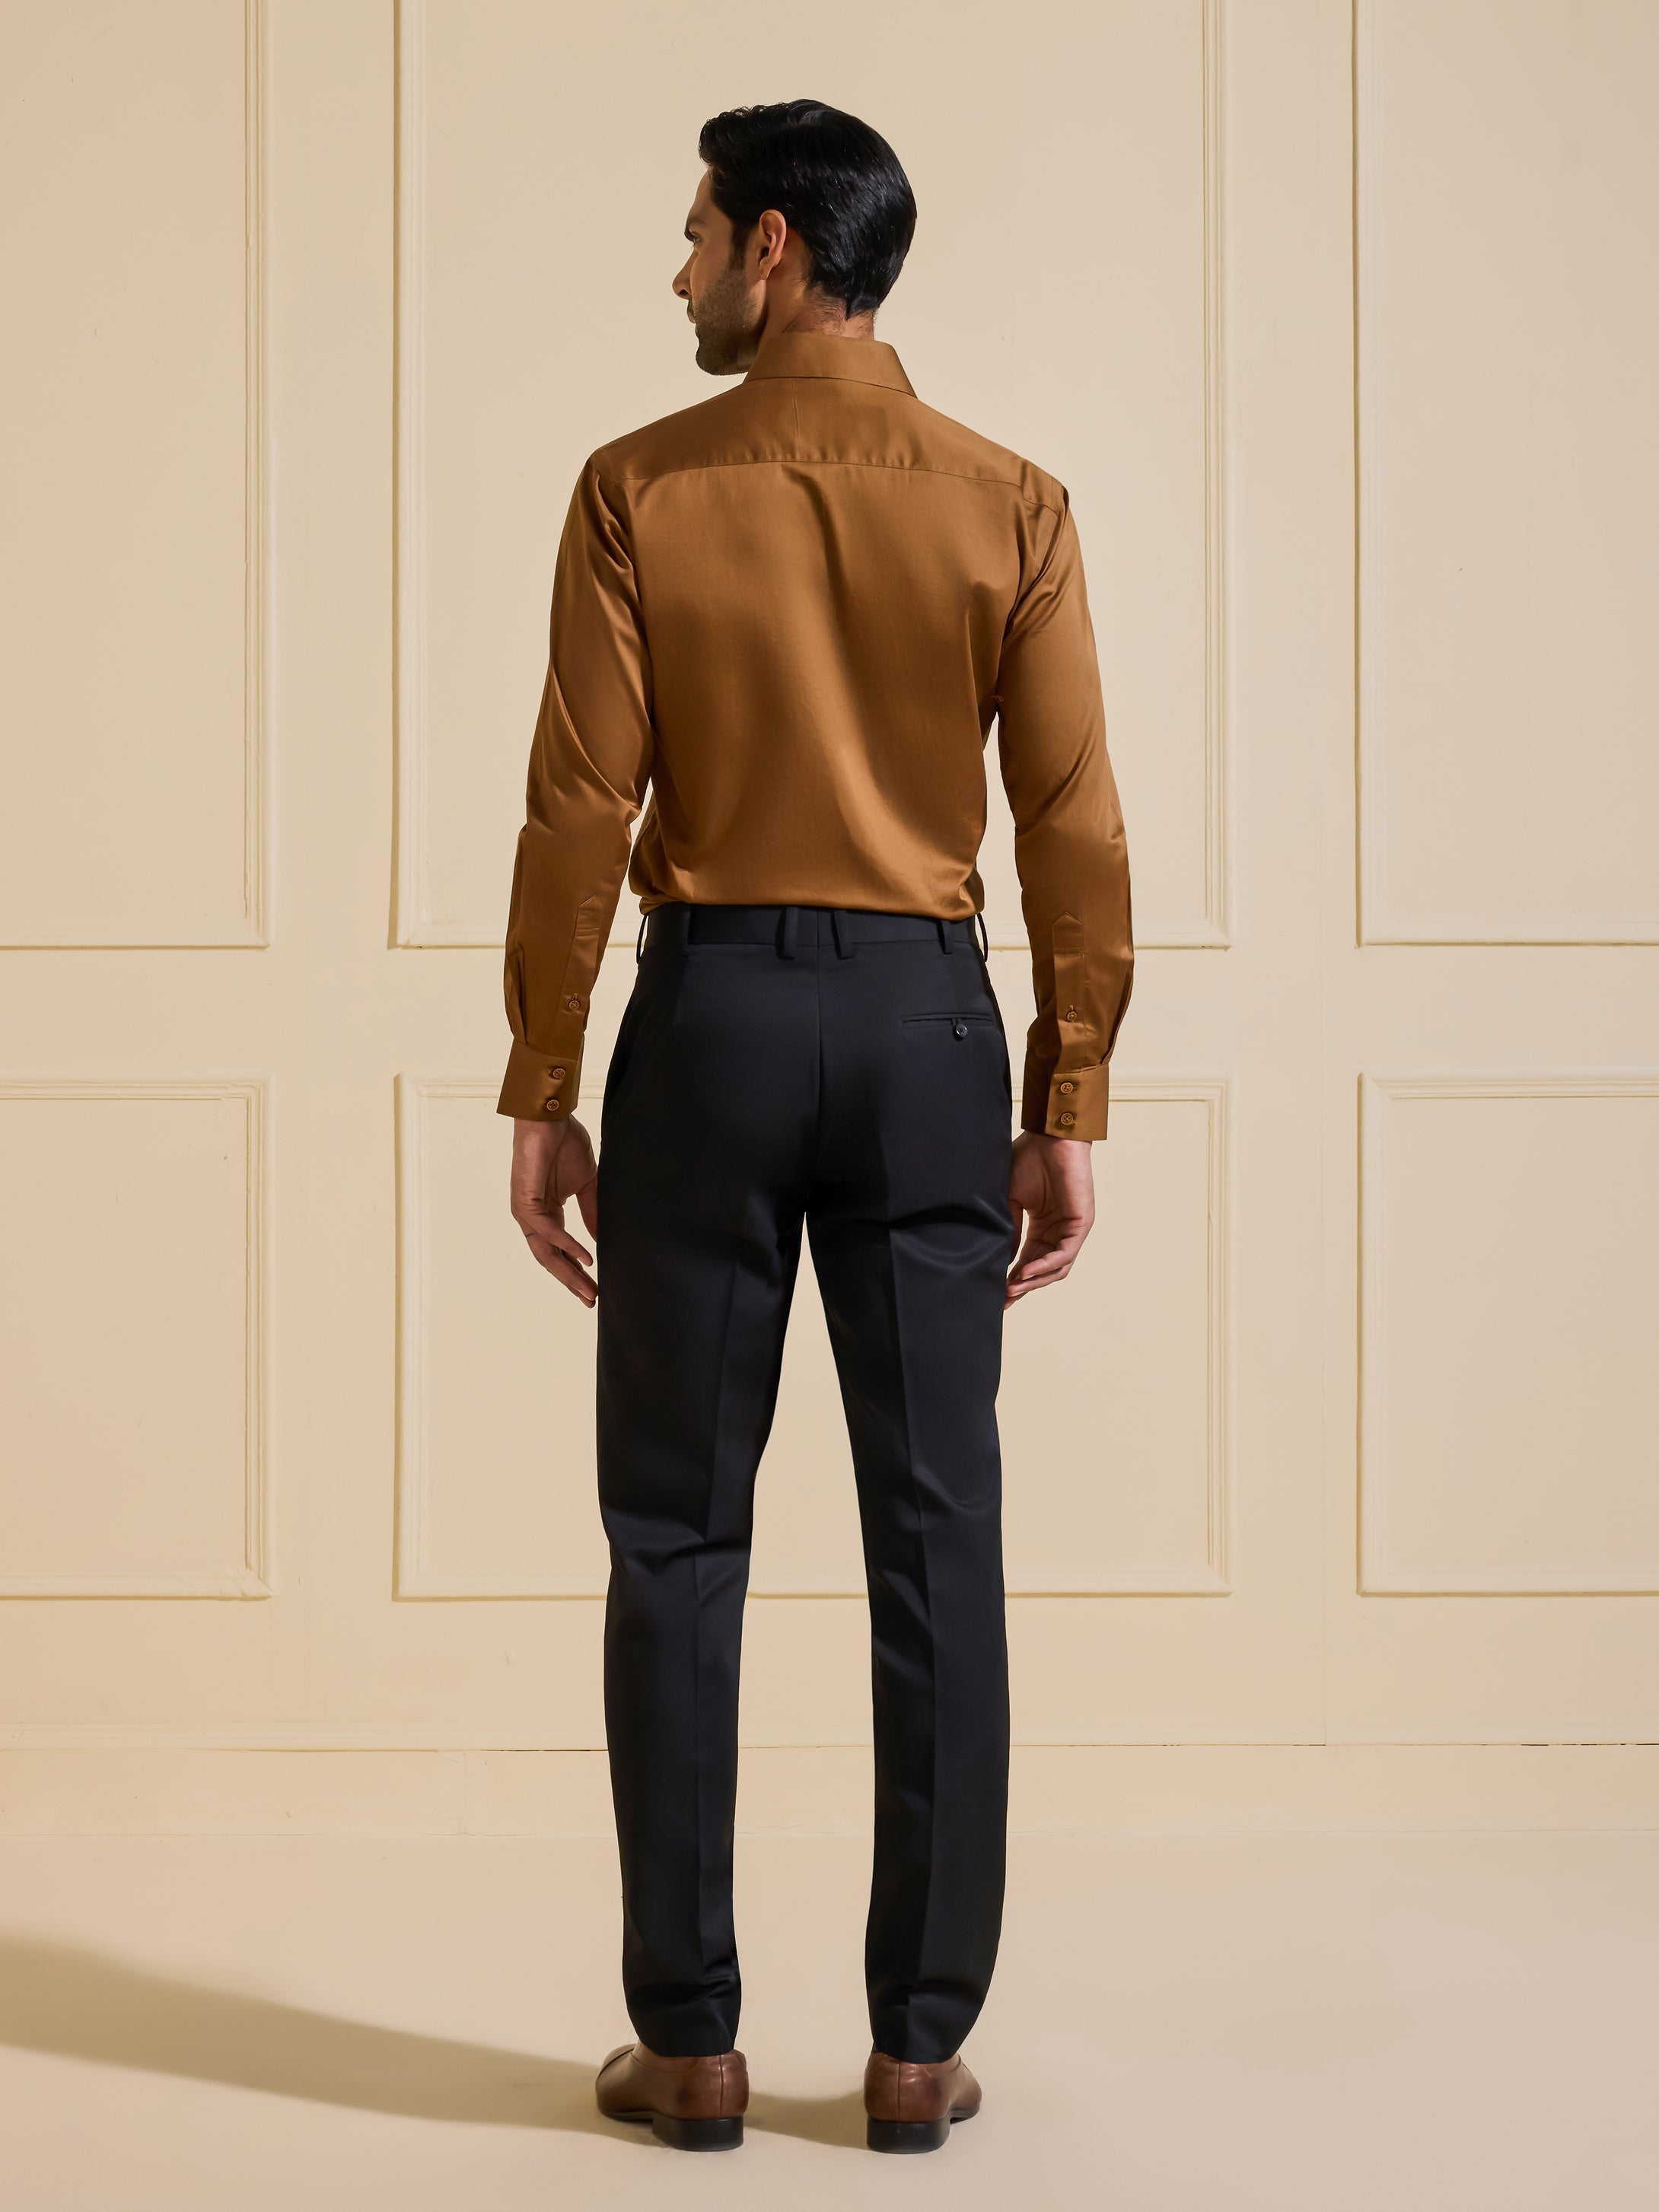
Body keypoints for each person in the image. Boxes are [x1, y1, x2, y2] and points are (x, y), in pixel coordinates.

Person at [498, 97, 1132, 2155]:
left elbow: (579, 808)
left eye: (697, 234)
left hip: (709, 1026)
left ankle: (687, 2043)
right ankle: (917, 2047)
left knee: (675, 1534)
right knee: (938, 1534)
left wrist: (540, 1079)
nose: (680, 268)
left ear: (776, 247)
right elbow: (1070, 821)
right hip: (930, 1031)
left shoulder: (637, 489)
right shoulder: (1011, 502)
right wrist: (1066, 1089)